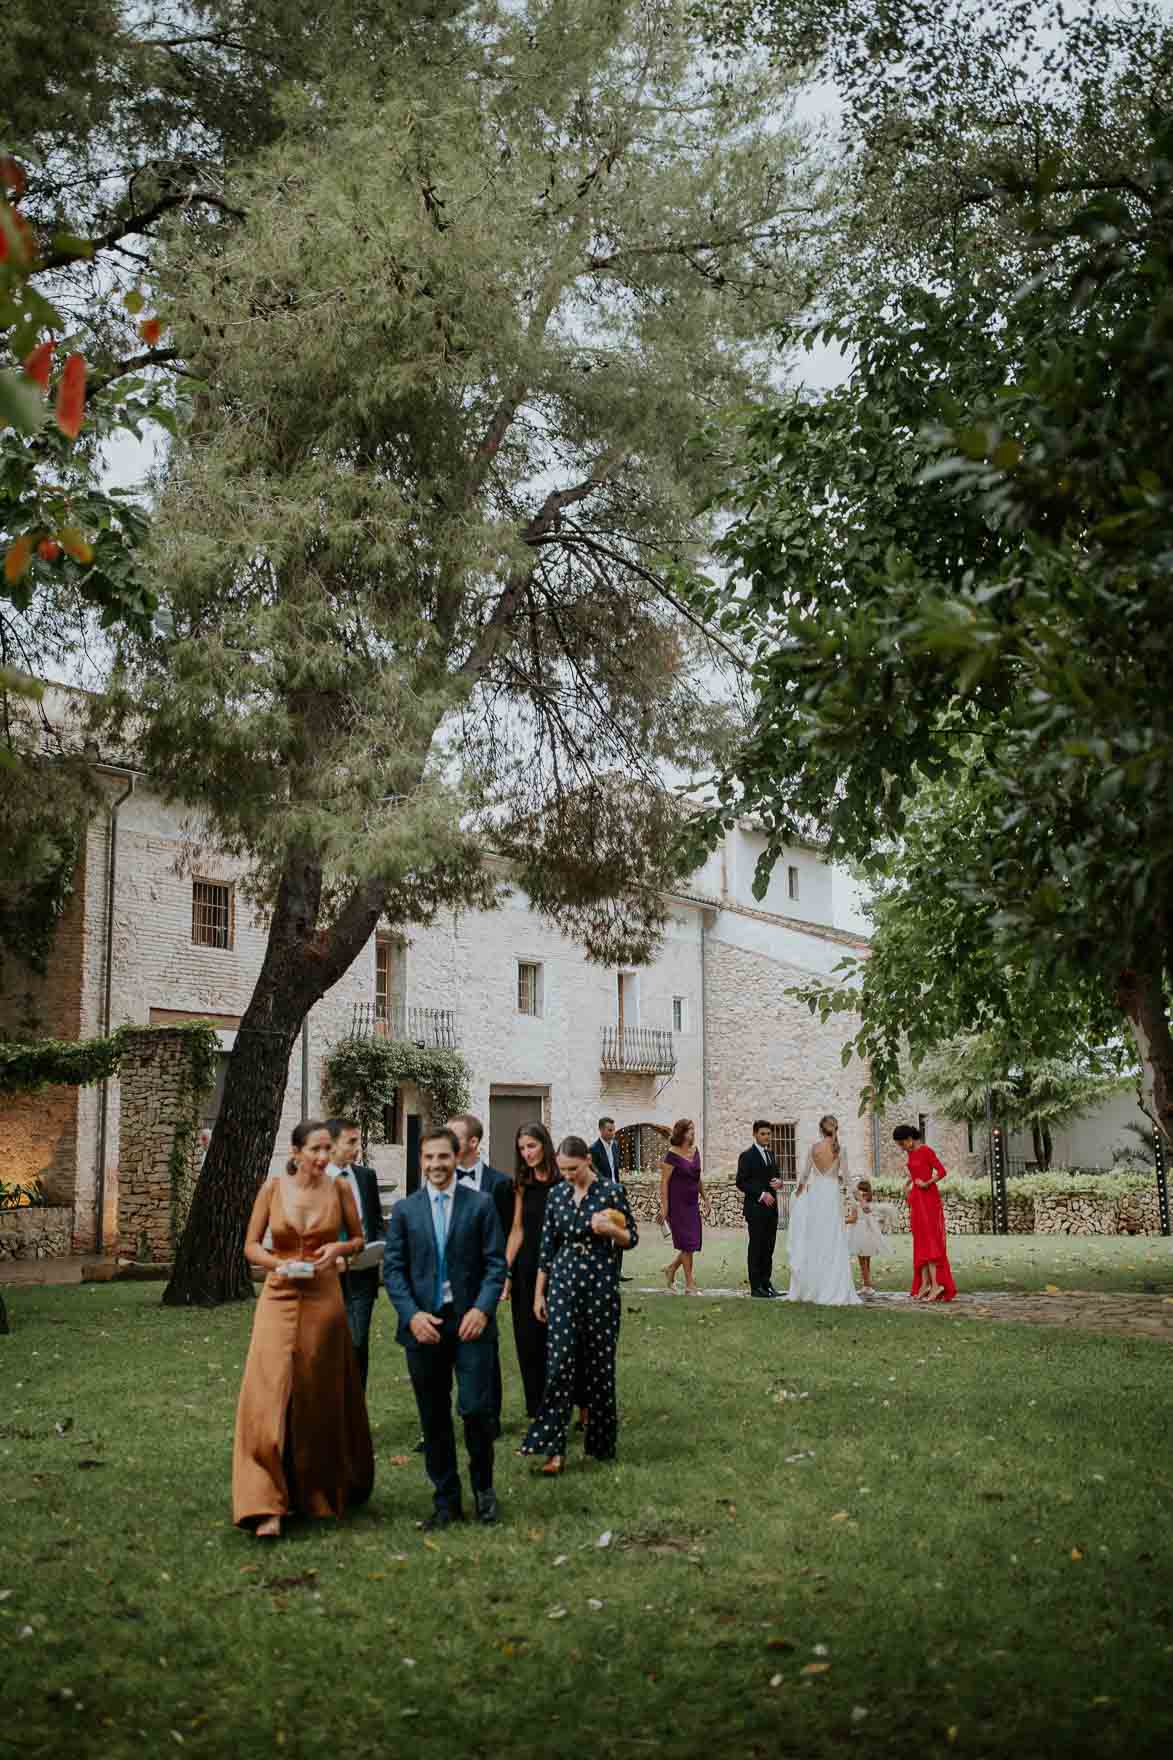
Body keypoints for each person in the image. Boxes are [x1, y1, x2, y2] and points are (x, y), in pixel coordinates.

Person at [233, 1119, 374, 1537]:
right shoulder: (272, 1189)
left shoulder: (341, 1189)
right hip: (278, 1296)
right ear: (295, 1151)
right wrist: (277, 1264)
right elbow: (250, 1246)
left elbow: (359, 1240)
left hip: (323, 1296)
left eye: (327, 1150)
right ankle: (264, 1504)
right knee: (268, 1391)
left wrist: (339, 1247)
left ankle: (316, 1492)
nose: (323, 1158)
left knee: (316, 1391)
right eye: (315, 1149)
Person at [384, 1125, 507, 1527]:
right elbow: (394, 1270)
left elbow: (495, 1264)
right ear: (421, 1162)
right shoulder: (406, 1210)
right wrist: (412, 1315)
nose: (436, 1165)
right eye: (429, 1158)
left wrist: (482, 1309)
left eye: (443, 1157)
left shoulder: (481, 1204)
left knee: (475, 1410)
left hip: (469, 1321)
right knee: (433, 1417)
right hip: (425, 1326)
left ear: (456, 1159)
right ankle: (446, 1501)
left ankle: (484, 1490)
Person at [520, 1135, 637, 1474]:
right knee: (558, 1366)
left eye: (573, 1168)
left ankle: (601, 1445)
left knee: (600, 1366)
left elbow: (631, 1238)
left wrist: (611, 1231)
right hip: (563, 1286)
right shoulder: (556, 1195)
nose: (568, 1175)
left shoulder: (611, 1193)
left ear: (587, 1159)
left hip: (600, 1285)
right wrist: (539, 1294)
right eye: (563, 1169)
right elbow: (546, 1249)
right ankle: (553, 1449)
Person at [447, 1112, 514, 1435]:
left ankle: (490, 1417)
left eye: (454, 1137)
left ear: (473, 1142)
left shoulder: (499, 1184)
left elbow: (507, 1232)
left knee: (485, 1346)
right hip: (445, 1278)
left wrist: (504, 1276)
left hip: (485, 1278)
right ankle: (438, 1422)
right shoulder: (438, 1178)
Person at [505, 1121, 563, 1422]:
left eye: (532, 1146)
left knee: (558, 1340)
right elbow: (516, 1230)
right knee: (528, 1339)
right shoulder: (521, 1184)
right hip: (527, 1267)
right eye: (522, 1148)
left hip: (559, 1267)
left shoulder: (563, 1180)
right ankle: (536, 1408)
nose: (527, 1153)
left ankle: (563, 1403)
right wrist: (505, 1271)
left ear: (545, 1144)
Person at [326, 1117, 386, 1390]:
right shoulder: (315, 1180)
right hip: (324, 1278)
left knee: (357, 1344)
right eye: (350, 1142)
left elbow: (374, 1222)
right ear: (331, 1144)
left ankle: (355, 1415)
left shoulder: (366, 1177)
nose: (357, 1148)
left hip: (362, 1276)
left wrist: (379, 1248)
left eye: (358, 1141)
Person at [787, 1115, 861, 1306]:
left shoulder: (814, 1148)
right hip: (831, 1196)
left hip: (817, 1196)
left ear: (820, 1130)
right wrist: (860, 1200)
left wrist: (798, 1194)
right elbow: (848, 1180)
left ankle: (813, 1288)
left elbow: (803, 1177)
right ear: (836, 1129)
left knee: (814, 1239)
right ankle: (832, 1287)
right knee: (833, 1240)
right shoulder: (840, 1150)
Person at [893, 1124, 958, 1302]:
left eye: (901, 1144)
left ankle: (937, 1285)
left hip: (928, 1199)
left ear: (909, 1139)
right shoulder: (911, 1152)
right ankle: (924, 1284)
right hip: (916, 1199)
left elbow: (942, 1171)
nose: (901, 1147)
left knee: (930, 1240)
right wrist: (908, 1184)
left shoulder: (926, 1151)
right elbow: (915, 1171)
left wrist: (928, 1182)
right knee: (920, 1240)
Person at [658, 1118, 709, 1294]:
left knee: (692, 1243)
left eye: (693, 1129)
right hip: (677, 1205)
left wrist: (706, 1198)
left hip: (692, 1203)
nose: (692, 1133)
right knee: (687, 1245)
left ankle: (671, 1269)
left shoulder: (696, 1151)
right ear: (681, 1133)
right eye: (689, 1130)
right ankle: (690, 1284)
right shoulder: (671, 1155)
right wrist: (664, 1207)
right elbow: (664, 1183)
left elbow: (697, 1177)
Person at [736, 1119, 785, 1299]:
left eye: (768, 1134)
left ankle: (766, 1283)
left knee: (769, 1247)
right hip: (755, 1209)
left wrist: (779, 1182)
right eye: (763, 1134)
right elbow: (741, 1182)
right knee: (756, 1247)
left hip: (772, 1210)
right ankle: (756, 1287)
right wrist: (762, 1194)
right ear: (755, 1134)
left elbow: (775, 1177)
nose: (766, 1137)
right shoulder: (746, 1156)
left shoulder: (771, 1155)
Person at [590, 1116, 631, 1280]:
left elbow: (615, 1171)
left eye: (613, 1129)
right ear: (601, 1130)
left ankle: (617, 1271)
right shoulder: (593, 1150)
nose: (613, 1133)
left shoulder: (615, 1146)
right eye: (609, 1130)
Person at [845, 1177, 895, 1298]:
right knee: (866, 1260)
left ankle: (867, 1285)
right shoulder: (868, 1205)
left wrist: (842, 1220)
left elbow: (853, 1219)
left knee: (862, 1261)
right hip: (868, 1235)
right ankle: (867, 1285)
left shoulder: (856, 1205)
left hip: (859, 1235)